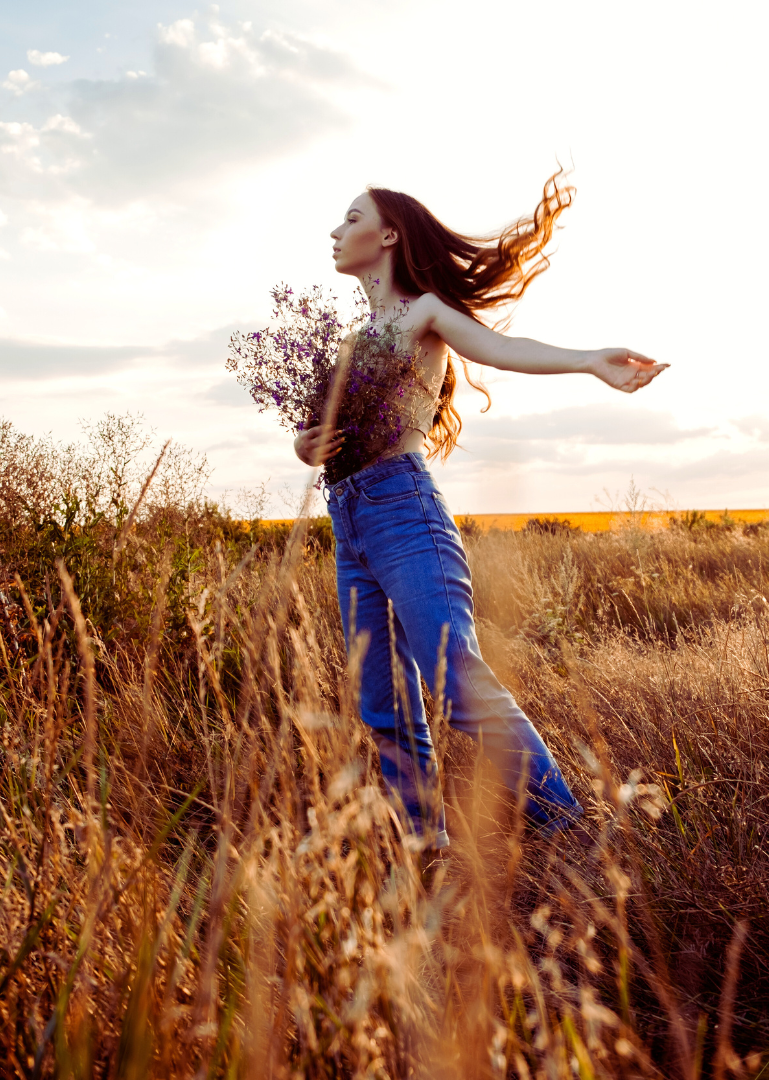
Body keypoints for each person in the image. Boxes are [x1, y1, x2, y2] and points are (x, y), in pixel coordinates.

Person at [294, 171, 667, 849]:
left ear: (388, 235)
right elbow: (316, 436)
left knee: (452, 675)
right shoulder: (350, 340)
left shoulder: (423, 312)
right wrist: (306, 443)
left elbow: (500, 348)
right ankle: (422, 842)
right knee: (383, 701)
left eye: (351, 218)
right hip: (348, 520)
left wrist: (589, 361)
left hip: (403, 512)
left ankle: (568, 829)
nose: (335, 231)